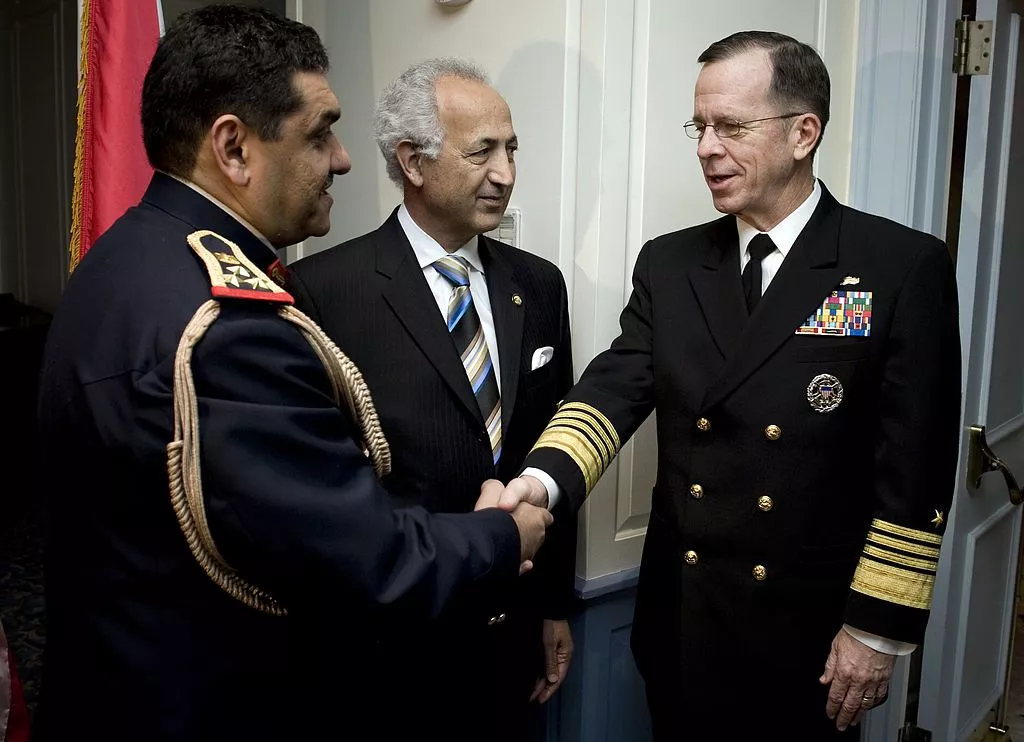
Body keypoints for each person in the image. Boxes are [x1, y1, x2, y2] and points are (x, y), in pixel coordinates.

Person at [34, 8, 552, 741]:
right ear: (234, 147)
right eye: (319, 134)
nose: (342, 158)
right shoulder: (229, 325)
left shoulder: (124, 260)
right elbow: (367, 560)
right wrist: (507, 537)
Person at [499, 30, 961, 740]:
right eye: (700, 126)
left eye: (731, 127)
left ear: (804, 133)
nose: (706, 147)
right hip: (682, 616)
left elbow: (916, 468)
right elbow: (613, 389)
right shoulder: (672, 263)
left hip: (808, 633)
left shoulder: (898, 267)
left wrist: (878, 628)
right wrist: (542, 481)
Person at [287, 58, 577, 741]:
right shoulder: (322, 292)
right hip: (393, 651)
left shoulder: (538, 284)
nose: (506, 172)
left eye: (512, 149)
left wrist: (553, 605)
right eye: (482, 152)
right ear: (412, 162)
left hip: (514, 639)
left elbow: (555, 446)